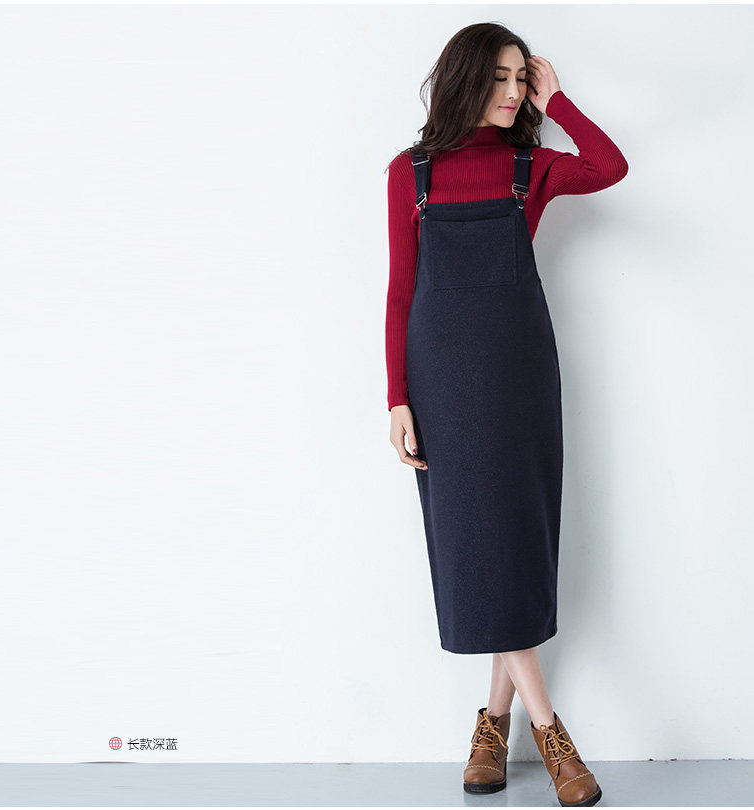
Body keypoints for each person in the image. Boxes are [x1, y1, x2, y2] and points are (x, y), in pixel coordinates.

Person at [384, 22, 628, 808]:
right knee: (479, 545)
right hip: (443, 385)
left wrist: (560, 103)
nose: (514, 92)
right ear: (463, 78)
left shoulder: (533, 165)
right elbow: (399, 290)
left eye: (522, 78)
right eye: (499, 77)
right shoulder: (411, 173)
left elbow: (609, 166)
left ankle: (493, 728)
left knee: (512, 542)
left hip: (520, 378)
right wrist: (396, 396)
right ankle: (548, 733)